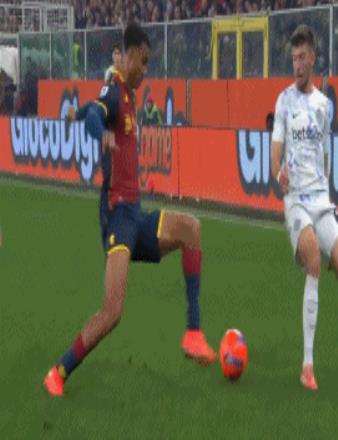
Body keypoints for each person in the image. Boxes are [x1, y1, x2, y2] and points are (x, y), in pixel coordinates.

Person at [44, 23, 217, 397]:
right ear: (131, 55)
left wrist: (77, 114)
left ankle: (193, 333)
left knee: (191, 228)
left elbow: (90, 110)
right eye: (145, 61)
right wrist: (99, 132)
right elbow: (97, 115)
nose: (146, 69)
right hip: (117, 219)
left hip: (136, 215)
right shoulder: (114, 89)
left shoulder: (127, 95)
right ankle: (59, 371)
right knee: (112, 313)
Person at [270, 25, 338, 391]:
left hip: (321, 201)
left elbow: (325, 154)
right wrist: (278, 172)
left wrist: (325, 191)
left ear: (312, 58)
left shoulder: (325, 106)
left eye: (302, 57)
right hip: (296, 200)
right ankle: (307, 365)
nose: (297, 64)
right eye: (293, 58)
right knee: (313, 260)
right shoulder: (283, 101)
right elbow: (275, 150)